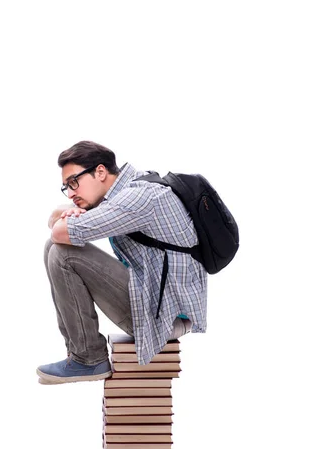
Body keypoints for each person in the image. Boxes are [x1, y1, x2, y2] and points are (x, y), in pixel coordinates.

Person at [37, 140, 207, 385]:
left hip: (166, 319)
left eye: (74, 182)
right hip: (163, 307)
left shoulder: (138, 198)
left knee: (63, 252)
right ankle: (81, 354)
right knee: (54, 247)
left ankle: (88, 358)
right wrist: (68, 212)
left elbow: (60, 232)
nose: (71, 193)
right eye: (66, 187)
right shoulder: (134, 187)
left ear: (100, 172)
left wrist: (66, 217)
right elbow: (57, 224)